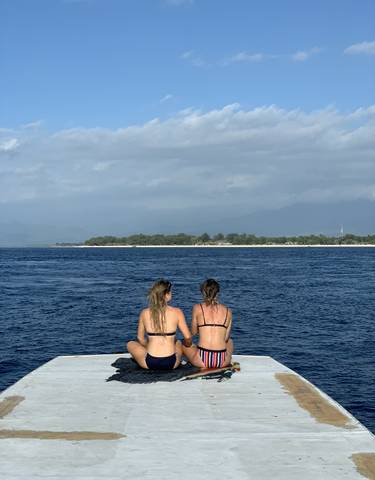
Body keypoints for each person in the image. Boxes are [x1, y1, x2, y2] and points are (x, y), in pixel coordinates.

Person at [127, 279, 192, 370]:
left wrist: (148, 347)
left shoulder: (145, 313)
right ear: (166, 295)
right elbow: (188, 337)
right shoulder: (177, 312)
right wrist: (187, 345)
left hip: (150, 362)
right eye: (170, 292)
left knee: (130, 344)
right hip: (171, 363)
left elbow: (140, 338)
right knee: (178, 341)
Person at [182, 278, 233, 368]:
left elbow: (193, 332)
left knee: (182, 343)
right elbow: (225, 338)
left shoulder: (197, 308)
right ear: (218, 293)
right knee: (230, 342)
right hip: (221, 360)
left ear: (203, 292)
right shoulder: (228, 311)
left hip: (202, 359)